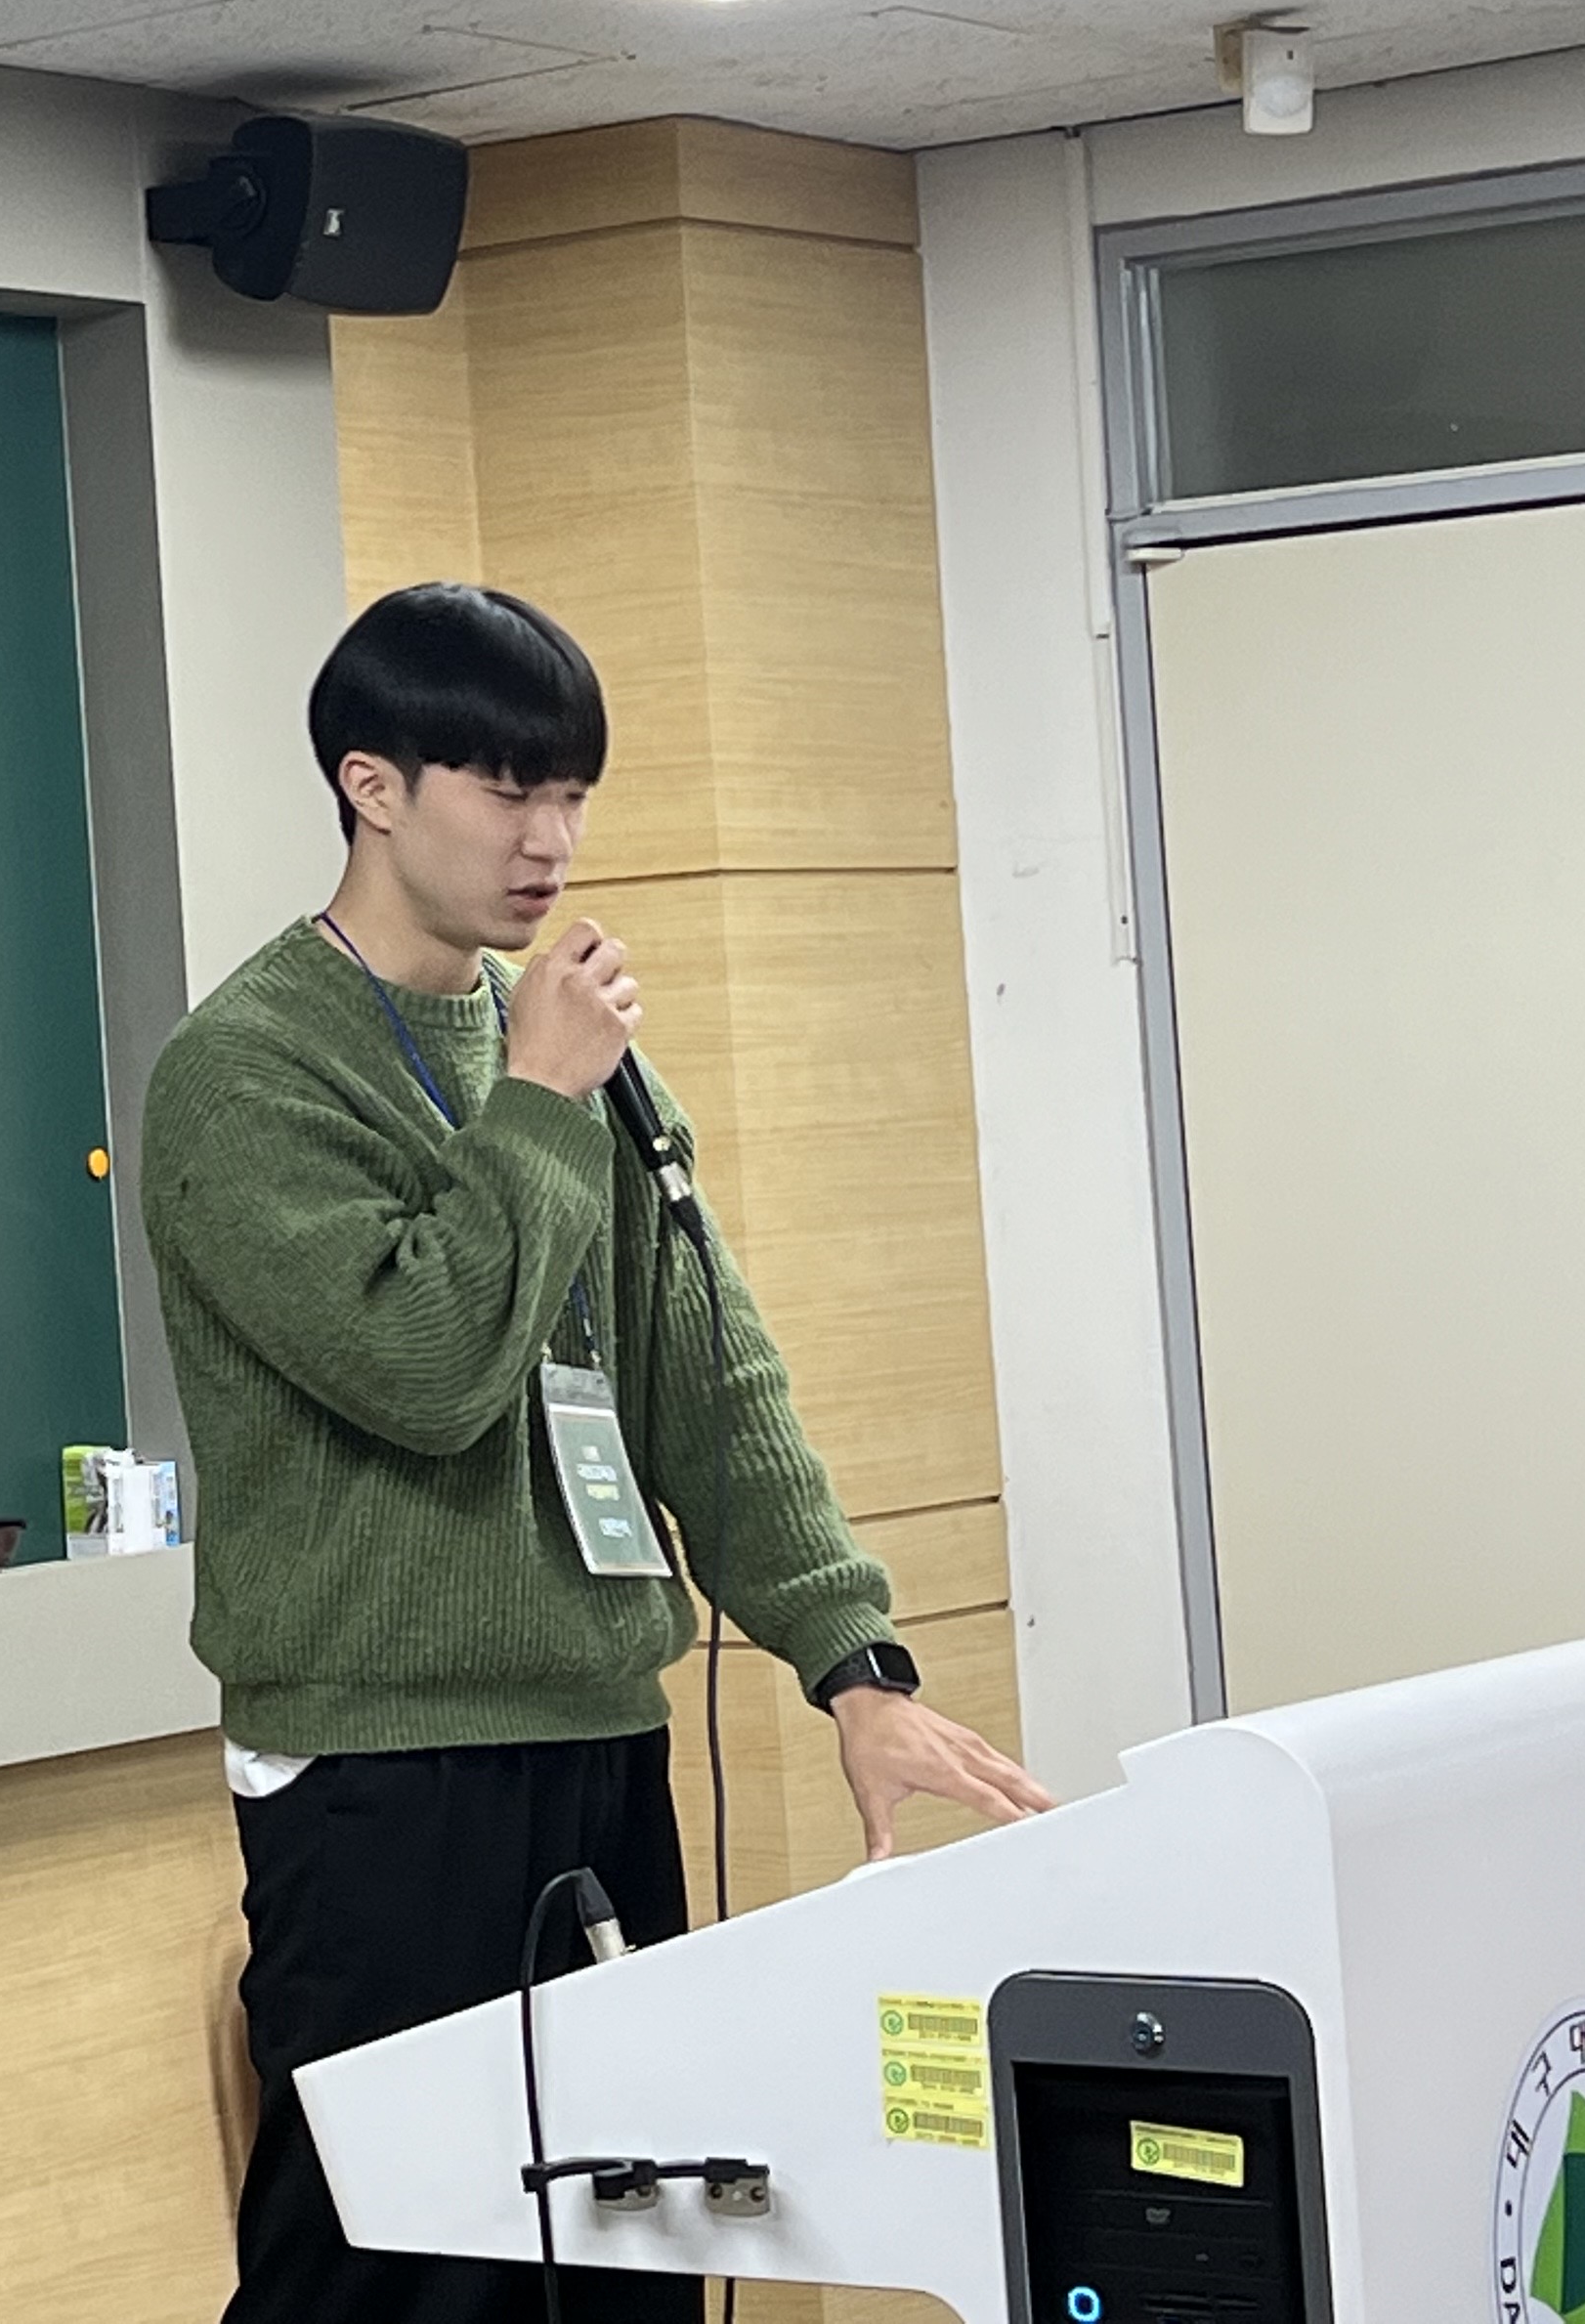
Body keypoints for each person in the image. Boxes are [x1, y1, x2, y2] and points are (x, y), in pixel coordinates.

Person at [143, 581, 1050, 2323]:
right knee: (402, 2263)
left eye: (571, 795)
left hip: (597, 1734)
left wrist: (852, 1665)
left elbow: (711, 1387)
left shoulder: (578, 1062)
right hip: (382, 1765)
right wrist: (542, 1100)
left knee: (634, 2236)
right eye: (507, 791)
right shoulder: (248, 1075)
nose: (551, 843)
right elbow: (424, 1365)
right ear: (372, 786)